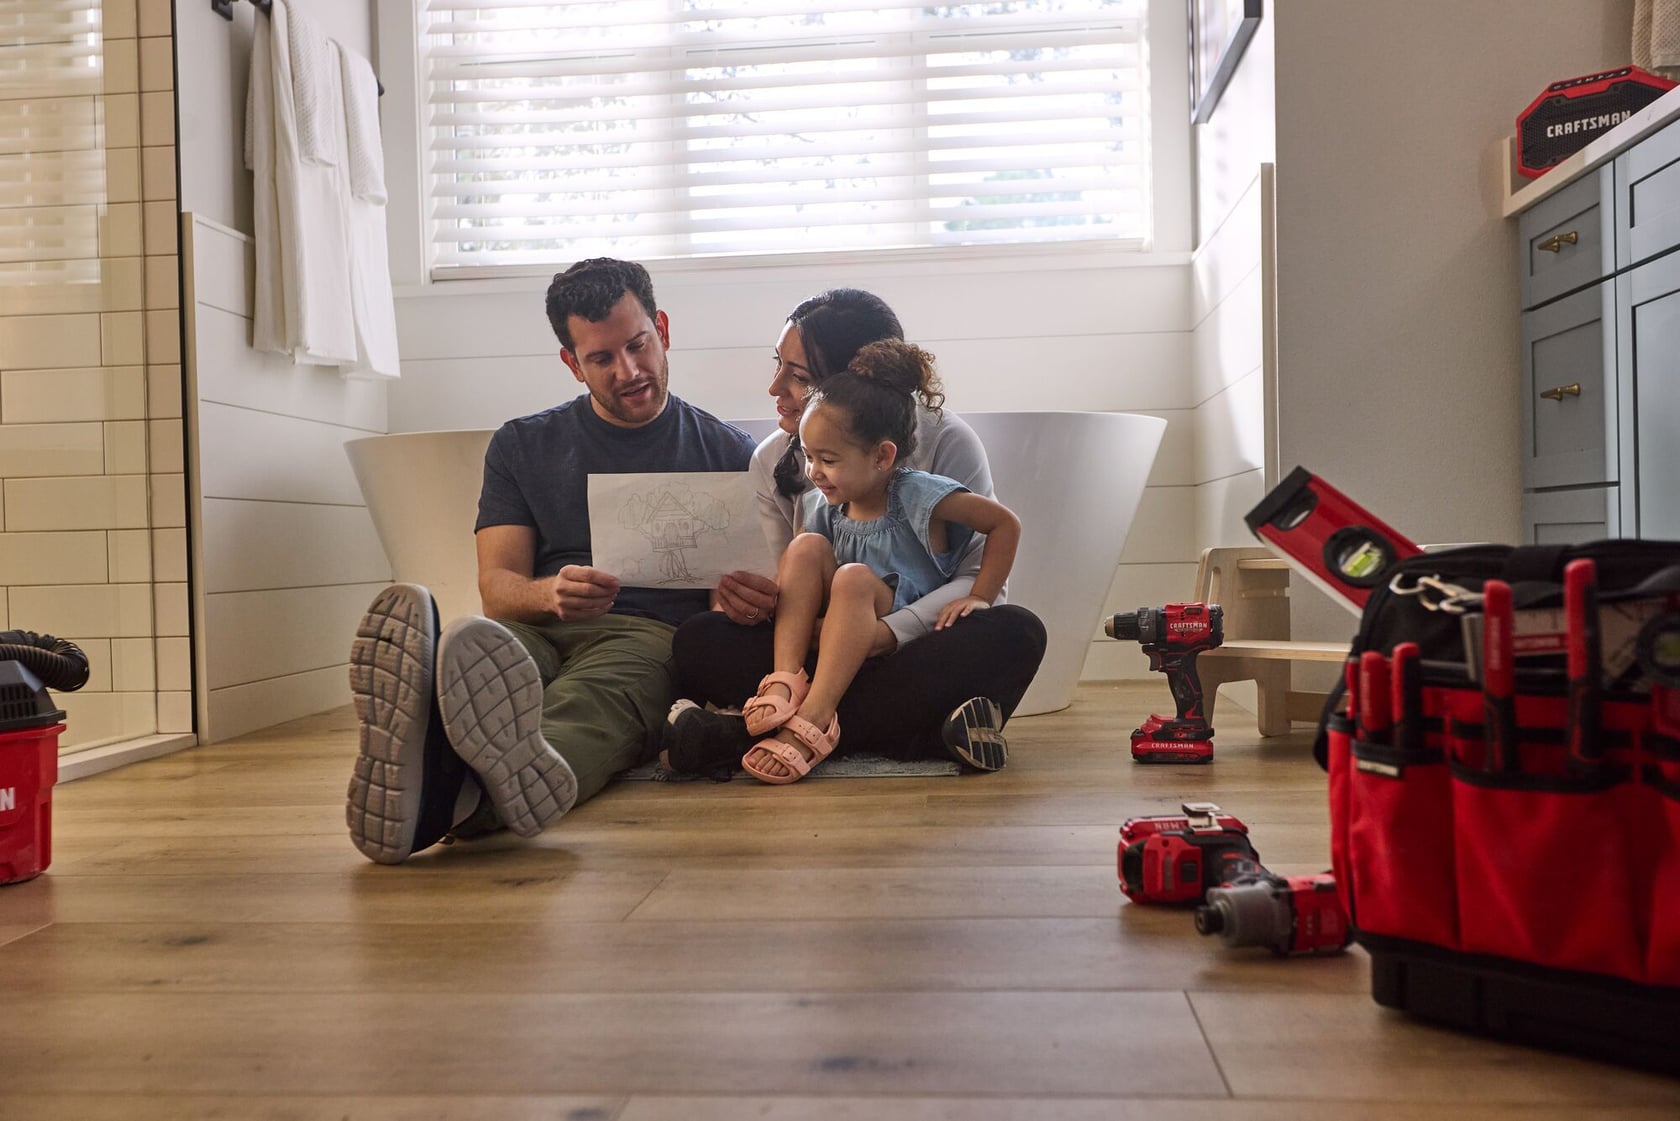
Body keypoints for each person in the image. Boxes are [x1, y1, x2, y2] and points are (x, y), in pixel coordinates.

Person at [345, 258, 755, 865]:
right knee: (483, 649)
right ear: (571, 363)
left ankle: (443, 788)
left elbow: (748, 590)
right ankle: (434, 742)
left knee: (590, 706)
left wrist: (745, 599)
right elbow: (496, 586)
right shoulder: (522, 444)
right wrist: (549, 595)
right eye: (601, 359)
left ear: (662, 329)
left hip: (645, 635)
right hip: (531, 628)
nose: (630, 370)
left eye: (638, 346)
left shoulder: (729, 452)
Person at [666, 289, 1047, 774]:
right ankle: (923, 733)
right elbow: (794, 585)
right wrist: (745, 603)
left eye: (797, 375)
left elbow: (981, 579)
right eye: (777, 364)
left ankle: (741, 734)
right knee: (699, 638)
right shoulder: (776, 460)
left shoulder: (945, 444)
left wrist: (882, 635)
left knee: (1016, 632)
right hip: (818, 646)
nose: (775, 388)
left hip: (913, 643)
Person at [739, 340, 1021, 783]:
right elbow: (800, 579)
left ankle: (816, 717)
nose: (814, 471)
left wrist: (981, 597)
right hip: (837, 641)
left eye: (828, 460)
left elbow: (1004, 525)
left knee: (1015, 629)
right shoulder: (825, 504)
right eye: (810, 457)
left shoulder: (918, 492)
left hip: (904, 639)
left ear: (882, 456)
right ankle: (784, 679)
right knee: (804, 549)